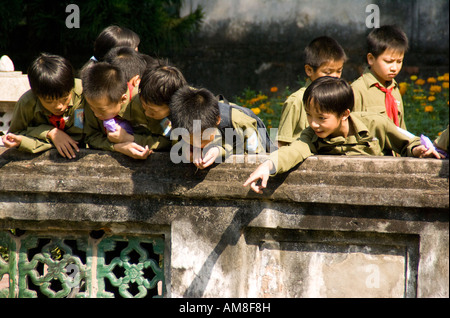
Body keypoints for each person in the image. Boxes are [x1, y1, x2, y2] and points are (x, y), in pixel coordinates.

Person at [244, 77, 442, 194]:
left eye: (321, 117)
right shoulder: (312, 135)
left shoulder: (374, 124)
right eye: (309, 115)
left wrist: (418, 150)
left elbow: (408, 141)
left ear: (345, 114)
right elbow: (293, 151)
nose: (313, 123)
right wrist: (267, 166)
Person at [2, 53, 84, 159]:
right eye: (49, 102)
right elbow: (16, 136)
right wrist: (49, 132)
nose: (59, 106)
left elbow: (94, 134)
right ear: (36, 95)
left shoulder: (84, 93)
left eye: (65, 99)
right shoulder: (27, 103)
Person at [82, 62, 169, 159]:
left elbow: (167, 141)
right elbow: (91, 137)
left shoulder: (146, 104)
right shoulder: (94, 101)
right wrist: (118, 147)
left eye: (101, 110)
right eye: (91, 107)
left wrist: (130, 139)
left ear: (123, 99)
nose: (96, 114)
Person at [169, 86, 269, 169]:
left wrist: (220, 151)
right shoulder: (180, 123)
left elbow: (255, 157)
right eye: (190, 140)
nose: (198, 145)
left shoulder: (240, 123)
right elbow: (176, 145)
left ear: (217, 120)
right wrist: (186, 148)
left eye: (201, 139)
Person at [277, 36, 347, 147]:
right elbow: (281, 142)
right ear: (309, 70)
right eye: (327, 72)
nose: (335, 77)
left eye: (339, 71)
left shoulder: (341, 96)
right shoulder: (297, 100)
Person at [351, 25, 409, 130]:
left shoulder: (394, 90)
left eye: (399, 61)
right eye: (388, 61)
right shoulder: (358, 90)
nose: (394, 68)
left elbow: (401, 129)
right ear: (371, 59)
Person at [139, 61, 188, 139]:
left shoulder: (193, 107)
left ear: (173, 106)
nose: (147, 113)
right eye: (144, 105)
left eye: (153, 111)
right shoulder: (129, 96)